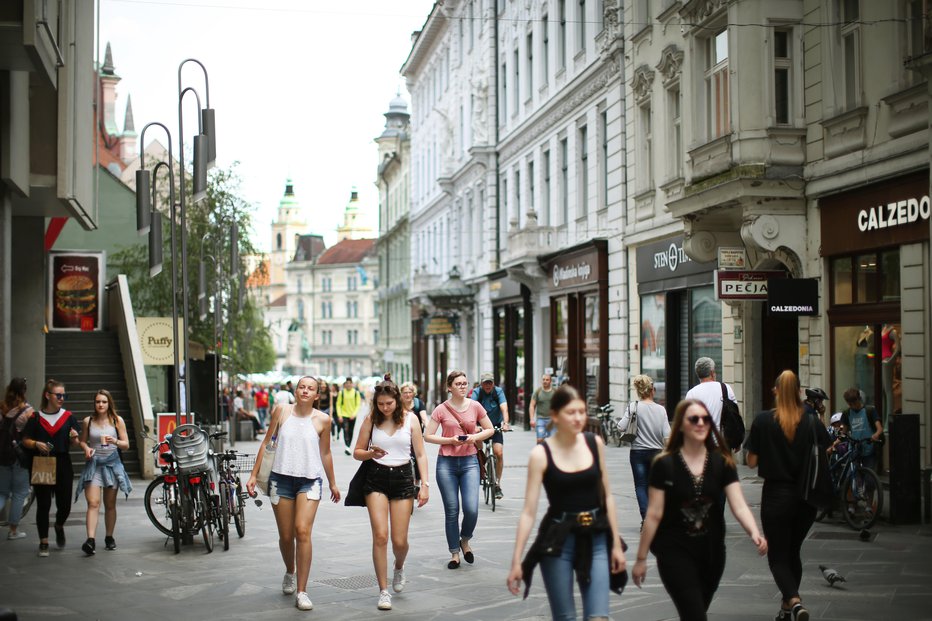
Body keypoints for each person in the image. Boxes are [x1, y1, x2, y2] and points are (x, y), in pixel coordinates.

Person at [632, 399, 767, 621]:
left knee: (695, 612)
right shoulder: (664, 465)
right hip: (674, 551)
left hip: (712, 553)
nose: (701, 423)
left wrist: (754, 532)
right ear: (682, 425)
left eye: (705, 419)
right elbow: (654, 513)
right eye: (694, 419)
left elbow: (738, 503)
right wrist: (640, 558)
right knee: (695, 615)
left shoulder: (722, 463)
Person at [506, 385, 627, 620]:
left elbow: (608, 496)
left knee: (598, 616)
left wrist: (615, 545)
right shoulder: (541, 455)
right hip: (558, 540)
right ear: (554, 416)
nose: (579, 418)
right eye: (571, 412)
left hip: (596, 536)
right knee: (565, 617)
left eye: (582, 411)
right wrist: (516, 560)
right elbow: (528, 512)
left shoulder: (594, 443)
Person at [246, 376, 340, 612]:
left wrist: (333, 483)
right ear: (295, 391)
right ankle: (290, 570)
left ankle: (302, 591)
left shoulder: (323, 420)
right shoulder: (281, 411)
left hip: (310, 481)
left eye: (311, 389)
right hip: (281, 479)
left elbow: (326, 453)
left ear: (317, 395)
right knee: (286, 536)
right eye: (302, 387)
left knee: (302, 531)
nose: (305, 391)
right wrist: (253, 475)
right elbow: (266, 443)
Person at [745, 370, 829, 621]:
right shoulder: (812, 420)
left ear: (777, 391)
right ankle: (787, 608)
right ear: (799, 392)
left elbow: (751, 461)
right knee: (793, 551)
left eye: (774, 388)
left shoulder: (763, 420)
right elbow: (826, 446)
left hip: (776, 496)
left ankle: (793, 599)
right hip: (806, 497)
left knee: (778, 556)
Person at [353, 381, 430, 610]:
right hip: (375, 477)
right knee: (380, 536)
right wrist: (369, 452)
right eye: (380, 404)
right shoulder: (371, 420)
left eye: (389, 403)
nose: (385, 408)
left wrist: (424, 484)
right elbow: (357, 452)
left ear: (397, 401)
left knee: (399, 540)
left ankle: (399, 566)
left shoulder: (410, 419)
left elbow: (421, 454)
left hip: (403, 477)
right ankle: (383, 590)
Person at [424, 370, 495, 569]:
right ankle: (455, 553)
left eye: (465, 383)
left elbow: (490, 428)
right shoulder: (441, 409)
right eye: (458, 384)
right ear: (449, 387)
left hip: (470, 462)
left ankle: (465, 539)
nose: (463, 386)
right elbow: (427, 435)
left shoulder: (475, 406)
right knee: (452, 509)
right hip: (446, 464)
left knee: (471, 509)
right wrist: (449, 441)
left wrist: (475, 437)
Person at [21, 379, 82, 557]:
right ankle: (44, 542)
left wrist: (74, 437)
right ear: (48, 395)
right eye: (58, 395)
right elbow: (25, 439)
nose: (62, 398)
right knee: (44, 504)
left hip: (63, 462)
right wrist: (35, 444)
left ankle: (59, 525)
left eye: (64, 395)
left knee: (65, 505)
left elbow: (75, 442)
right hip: (42, 462)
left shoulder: (68, 416)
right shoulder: (36, 418)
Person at [75, 389, 132, 555]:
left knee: (109, 504)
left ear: (109, 404)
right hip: (94, 465)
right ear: (94, 403)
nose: (100, 404)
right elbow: (82, 441)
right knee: (93, 503)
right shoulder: (88, 421)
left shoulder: (117, 420)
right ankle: (90, 540)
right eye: (98, 401)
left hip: (112, 465)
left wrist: (114, 440)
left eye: (104, 402)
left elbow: (126, 444)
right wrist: (86, 449)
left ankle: (109, 537)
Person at [619, 374, 670, 523]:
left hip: (638, 453)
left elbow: (621, 426)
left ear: (639, 391)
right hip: (657, 453)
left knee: (641, 486)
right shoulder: (661, 410)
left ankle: (646, 518)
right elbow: (667, 435)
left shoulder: (633, 407)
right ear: (652, 390)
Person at [0, 377, 34, 540]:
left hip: (2, 456)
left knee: (2, 493)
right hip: (19, 457)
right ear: (24, 391)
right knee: (20, 493)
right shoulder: (27, 411)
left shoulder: (2, 407)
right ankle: (13, 530)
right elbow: (32, 433)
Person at [470, 372, 509, 498]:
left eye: (490, 383)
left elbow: (504, 408)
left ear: (493, 383)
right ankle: (482, 467)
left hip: (496, 426)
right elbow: (471, 409)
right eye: (485, 383)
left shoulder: (498, 392)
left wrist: (506, 423)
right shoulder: (477, 392)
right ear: (481, 384)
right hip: (481, 427)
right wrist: (474, 426)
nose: (488, 385)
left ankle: (497, 483)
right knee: (479, 449)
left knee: (499, 453)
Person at [684, 357, 736, 430]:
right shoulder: (725, 388)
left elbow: (688, 420)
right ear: (712, 372)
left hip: (702, 436)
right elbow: (735, 412)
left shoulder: (692, 393)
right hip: (723, 437)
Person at [839, 387, 882, 472]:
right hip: (854, 449)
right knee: (853, 475)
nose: (853, 406)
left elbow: (880, 429)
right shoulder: (847, 413)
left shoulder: (870, 410)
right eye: (850, 404)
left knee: (869, 479)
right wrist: (837, 442)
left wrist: (876, 435)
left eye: (854, 403)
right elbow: (844, 432)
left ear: (859, 399)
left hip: (869, 448)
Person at [336, 377, 363, 456]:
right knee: (345, 430)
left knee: (351, 431)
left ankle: (348, 446)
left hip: (352, 415)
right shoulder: (342, 393)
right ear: (345, 384)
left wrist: (354, 414)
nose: (348, 385)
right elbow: (338, 404)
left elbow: (358, 405)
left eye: (350, 383)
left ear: (352, 384)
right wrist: (339, 415)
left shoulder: (356, 393)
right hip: (344, 415)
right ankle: (347, 447)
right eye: (347, 383)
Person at [528, 373, 555, 444]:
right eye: (543, 380)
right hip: (541, 419)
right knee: (539, 440)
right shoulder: (538, 392)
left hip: (552, 420)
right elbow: (532, 405)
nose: (545, 381)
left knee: (552, 441)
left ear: (550, 381)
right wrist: (531, 419)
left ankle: (550, 454)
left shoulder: (555, 392)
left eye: (547, 380)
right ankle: (540, 454)